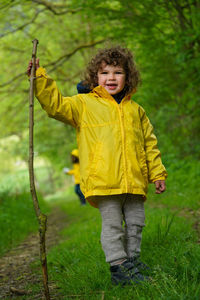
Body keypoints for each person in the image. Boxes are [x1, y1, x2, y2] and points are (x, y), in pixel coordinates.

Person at [27, 46, 167, 286]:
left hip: (134, 179)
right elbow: (55, 105)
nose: (111, 78)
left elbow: (149, 145)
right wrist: (39, 78)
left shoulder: (136, 110)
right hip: (103, 180)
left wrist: (157, 173)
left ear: (128, 77)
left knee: (136, 223)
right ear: (94, 77)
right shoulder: (83, 105)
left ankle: (132, 260)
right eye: (104, 73)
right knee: (113, 225)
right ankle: (119, 267)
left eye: (117, 72)